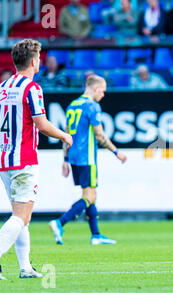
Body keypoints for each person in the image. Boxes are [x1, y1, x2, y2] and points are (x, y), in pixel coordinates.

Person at [0, 39, 73, 280]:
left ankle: (25, 267)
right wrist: (64, 135)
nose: (39, 61)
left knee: (20, 216)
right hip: (24, 159)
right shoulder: (32, 89)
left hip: (4, 161)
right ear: (33, 61)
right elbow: (41, 124)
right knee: (22, 215)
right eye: (38, 58)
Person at [49, 75, 127, 246]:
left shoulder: (73, 105)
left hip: (74, 157)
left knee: (90, 194)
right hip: (87, 157)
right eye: (103, 91)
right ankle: (60, 222)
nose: (104, 95)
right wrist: (116, 152)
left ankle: (96, 235)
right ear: (96, 89)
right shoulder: (93, 106)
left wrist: (65, 159)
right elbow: (99, 135)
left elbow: (67, 133)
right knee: (89, 196)